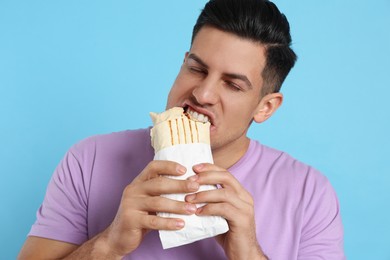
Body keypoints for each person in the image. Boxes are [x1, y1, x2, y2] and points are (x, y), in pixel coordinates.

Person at [18, 0, 345, 259]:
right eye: (196, 69)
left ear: (266, 107)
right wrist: (109, 245)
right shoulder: (88, 160)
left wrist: (246, 251)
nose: (202, 94)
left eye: (232, 85)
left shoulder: (309, 192)